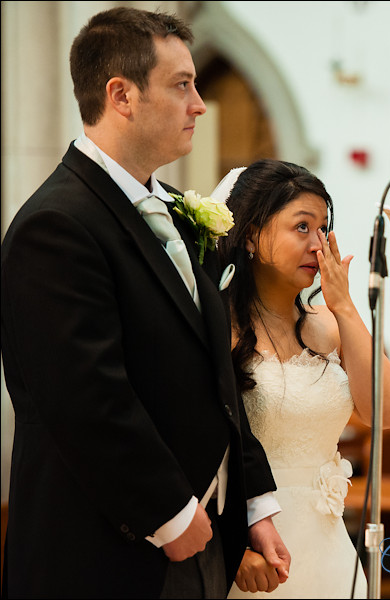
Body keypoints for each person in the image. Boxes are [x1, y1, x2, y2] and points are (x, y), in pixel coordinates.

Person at [0, 8, 289, 598]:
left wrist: (254, 499)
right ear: (121, 96)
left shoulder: (181, 213)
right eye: (182, 84)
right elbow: (86, 397)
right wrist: (169, 513)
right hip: (106, 551)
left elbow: (217, 373)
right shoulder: (56, 226)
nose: (200, 104)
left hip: (204, 539)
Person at [216, 159, 390, 598]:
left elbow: (387, 411)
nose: (318, 244)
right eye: (301, 227)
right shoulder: (219, 328)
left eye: (323, 228)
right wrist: (235, 542)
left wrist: (346, 307)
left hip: (327, 542)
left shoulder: (329, 325)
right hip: (256, 545)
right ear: (249, 235)